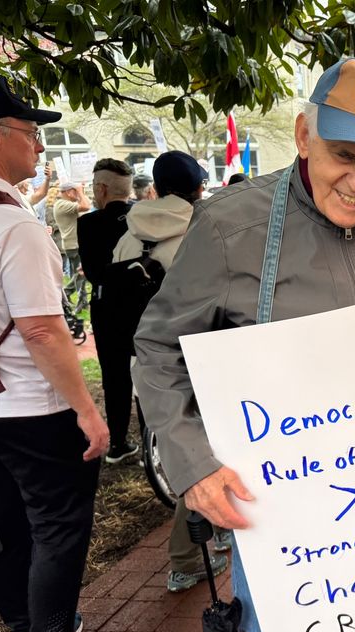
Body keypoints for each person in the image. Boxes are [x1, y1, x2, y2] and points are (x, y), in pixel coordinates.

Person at [132, 59, 355, 632]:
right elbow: (157, 347)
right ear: (304, 135)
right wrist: (193, 463)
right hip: (276, 486)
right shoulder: (231, 225)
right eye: (342, 155)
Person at [0, 74, 121, 632]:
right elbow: (43, 327)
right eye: (28, 130)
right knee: (58, 535)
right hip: (34, 411)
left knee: (11, 534)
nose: (39, 144)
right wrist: (86, 409)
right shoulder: (15, 227)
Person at [113, 151, 233, 590]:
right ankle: (186, 557)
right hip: (199, 365)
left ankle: (206, 539)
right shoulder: (208, 231)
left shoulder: (130, 234)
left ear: (156, 189)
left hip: (147, 365)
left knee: (174, 451)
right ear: (199, 188)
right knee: (204, 456)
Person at [77, 158, 140, 463]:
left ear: (101, 189)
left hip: (108, 311)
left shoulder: (88, 224)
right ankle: (153, 439)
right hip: (145, 307)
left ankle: (118, 441)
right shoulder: (145, 218)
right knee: (147, 374)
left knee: (115, 378)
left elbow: (93, 272)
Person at [53, 179, 92, 308]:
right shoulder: (62, 204)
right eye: (75, 191)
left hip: (74, 244)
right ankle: (67, 293)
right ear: (69, 192)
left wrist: (80, 191)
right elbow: (86, 206)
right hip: (73, 245)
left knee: (80, 273)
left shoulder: (65, 203)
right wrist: (80, 191)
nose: (78, 194)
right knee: (82, 273)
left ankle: (82, 301)